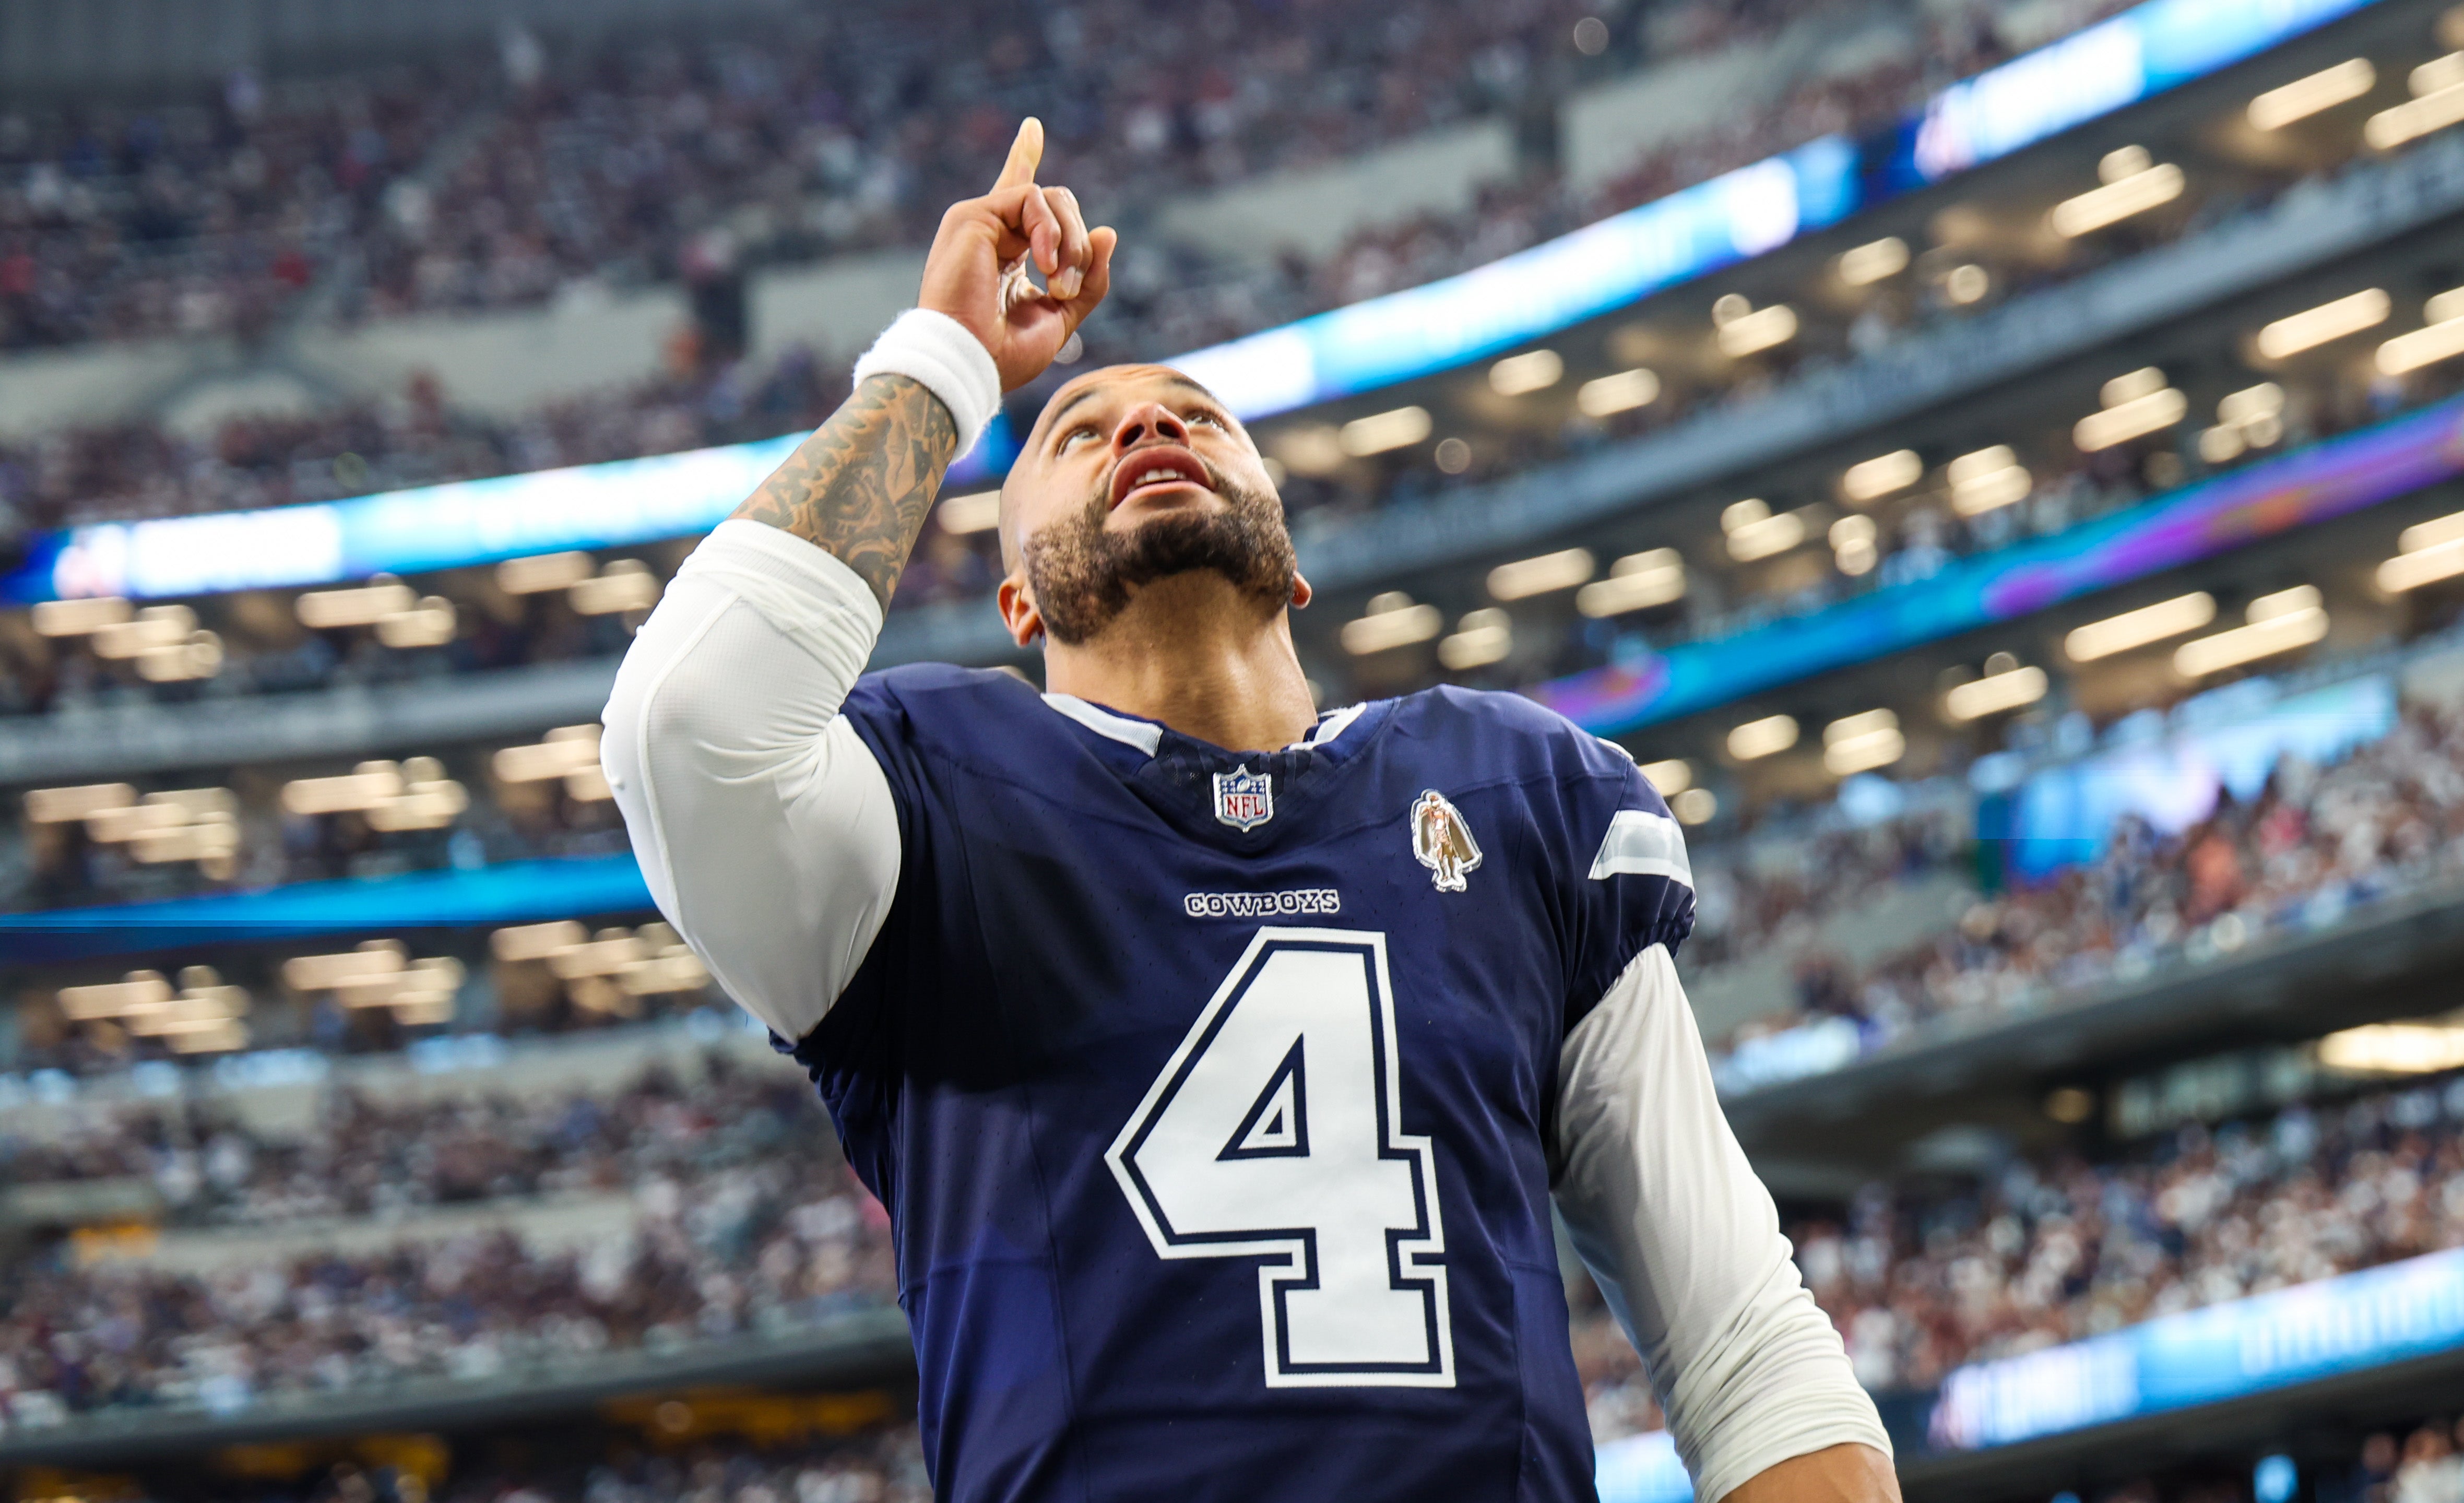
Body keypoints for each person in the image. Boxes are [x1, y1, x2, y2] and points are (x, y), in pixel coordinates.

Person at [604, 119, 1896, 1503]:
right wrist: (945, 364)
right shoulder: (926, 804)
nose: (1148, 424)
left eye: (1197, 417)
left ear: (1293, 565)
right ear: (1018, 601)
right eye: (1077, 434)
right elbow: (687, 726)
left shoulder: (1515, 796)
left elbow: (1742, 1342)